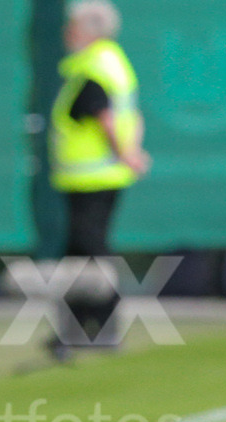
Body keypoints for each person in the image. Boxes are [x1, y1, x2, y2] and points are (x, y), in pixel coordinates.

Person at [47, 0, 150, 359]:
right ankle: (76, 329)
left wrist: (125, 154)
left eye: (73, 26)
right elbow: (133, 115)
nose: (67, 33)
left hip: (93, 178)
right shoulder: (112, 62)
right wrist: (131, 152)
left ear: (89, 30)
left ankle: (102, 327)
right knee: (79, 253)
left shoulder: (95, 65)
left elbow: (104, 115)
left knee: (91, 252)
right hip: (93, 177)